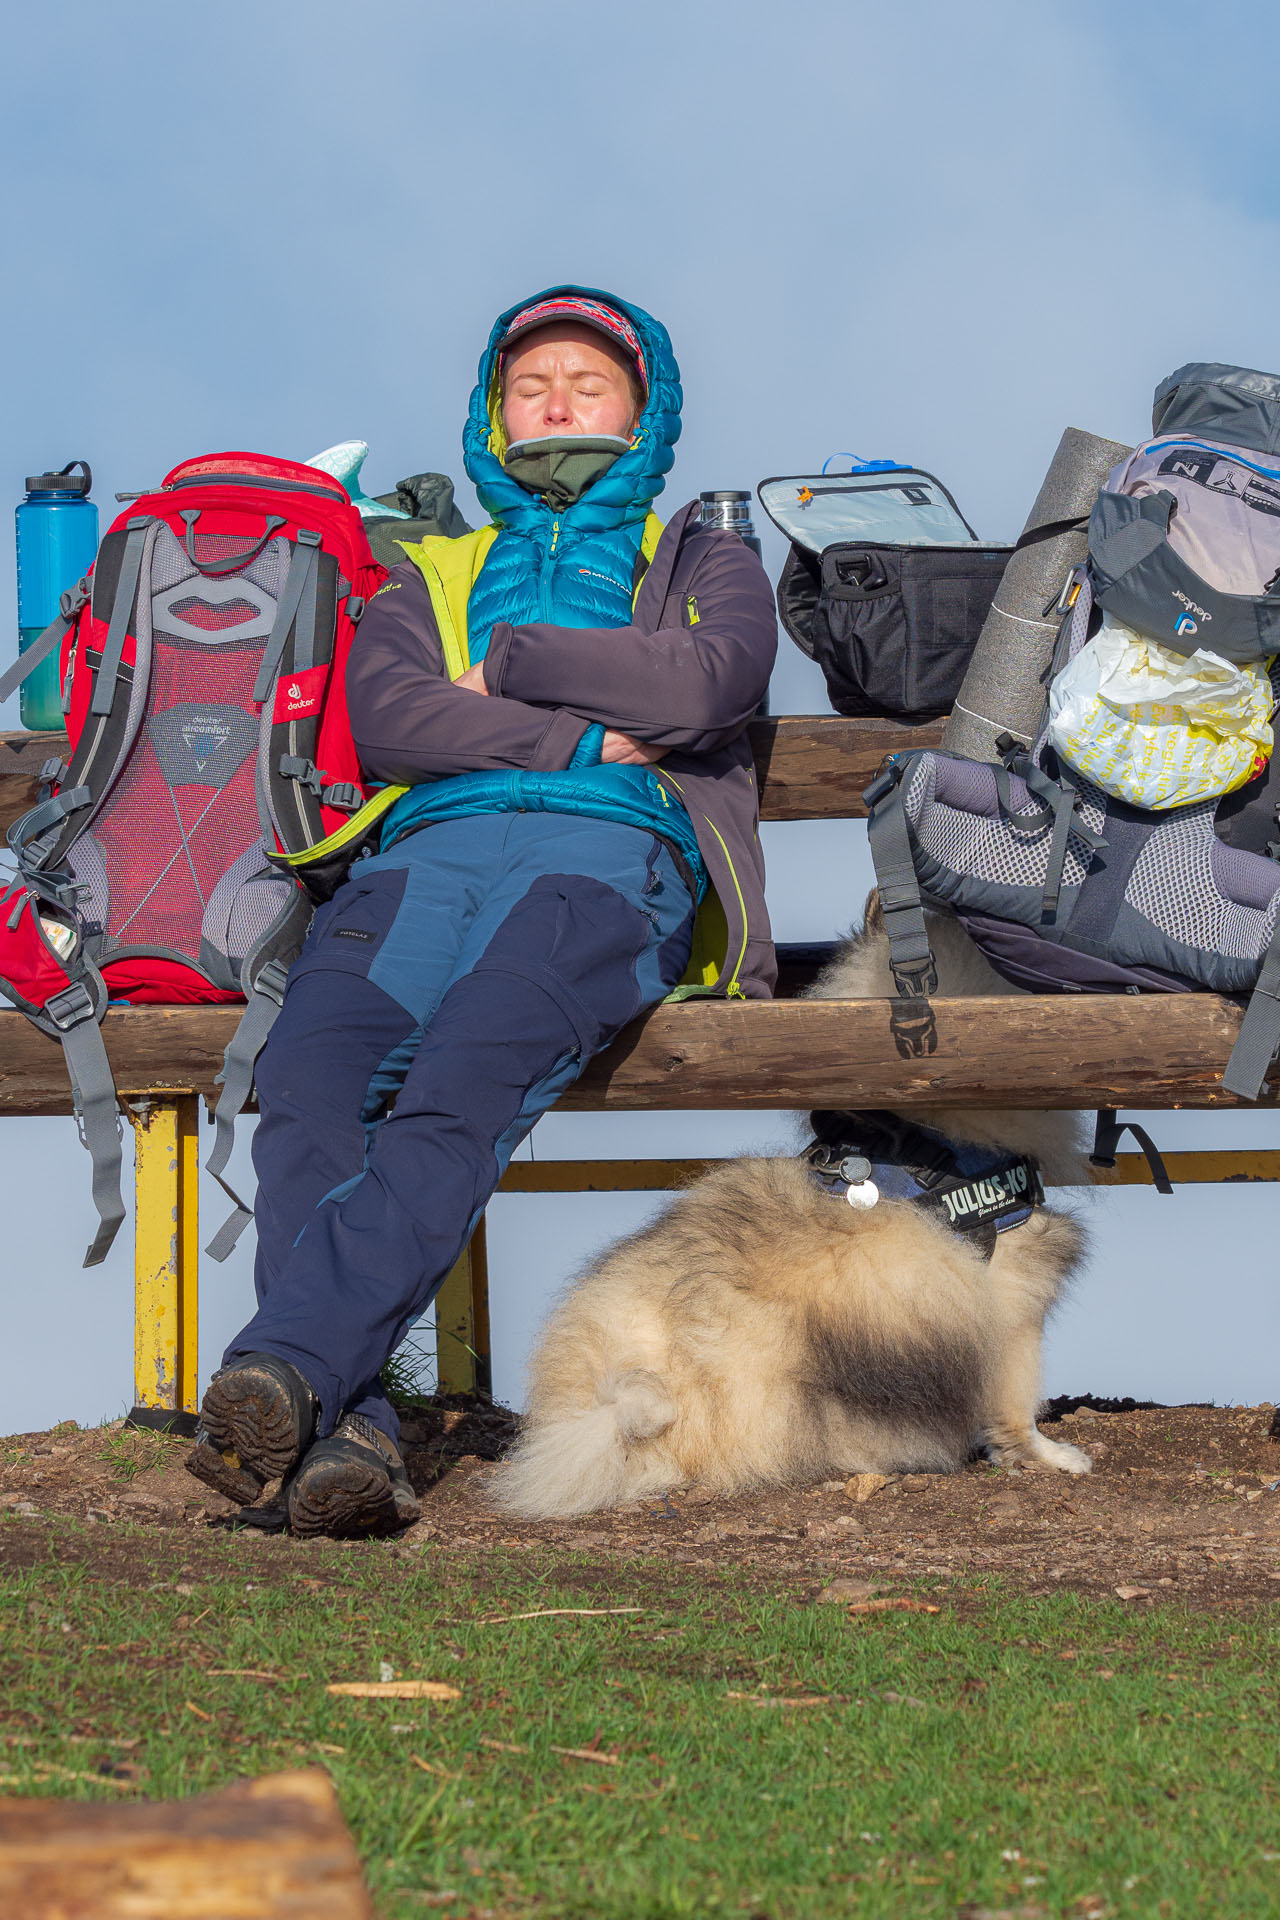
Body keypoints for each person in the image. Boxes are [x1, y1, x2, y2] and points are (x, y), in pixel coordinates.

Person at [187, 285, 777, 1536]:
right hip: (419, 859)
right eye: (529, 386)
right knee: (307, 1085)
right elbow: (393, 717)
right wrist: (583, 732)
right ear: (490, 412)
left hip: (608, 861)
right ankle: (349, 1429)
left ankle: (287, 1366)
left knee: (461, 1077)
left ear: (644, 407)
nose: (555, 404)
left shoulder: (697, 553)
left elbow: (710, 681)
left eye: (588, 383)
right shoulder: (427, 560)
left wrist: (507, 664)